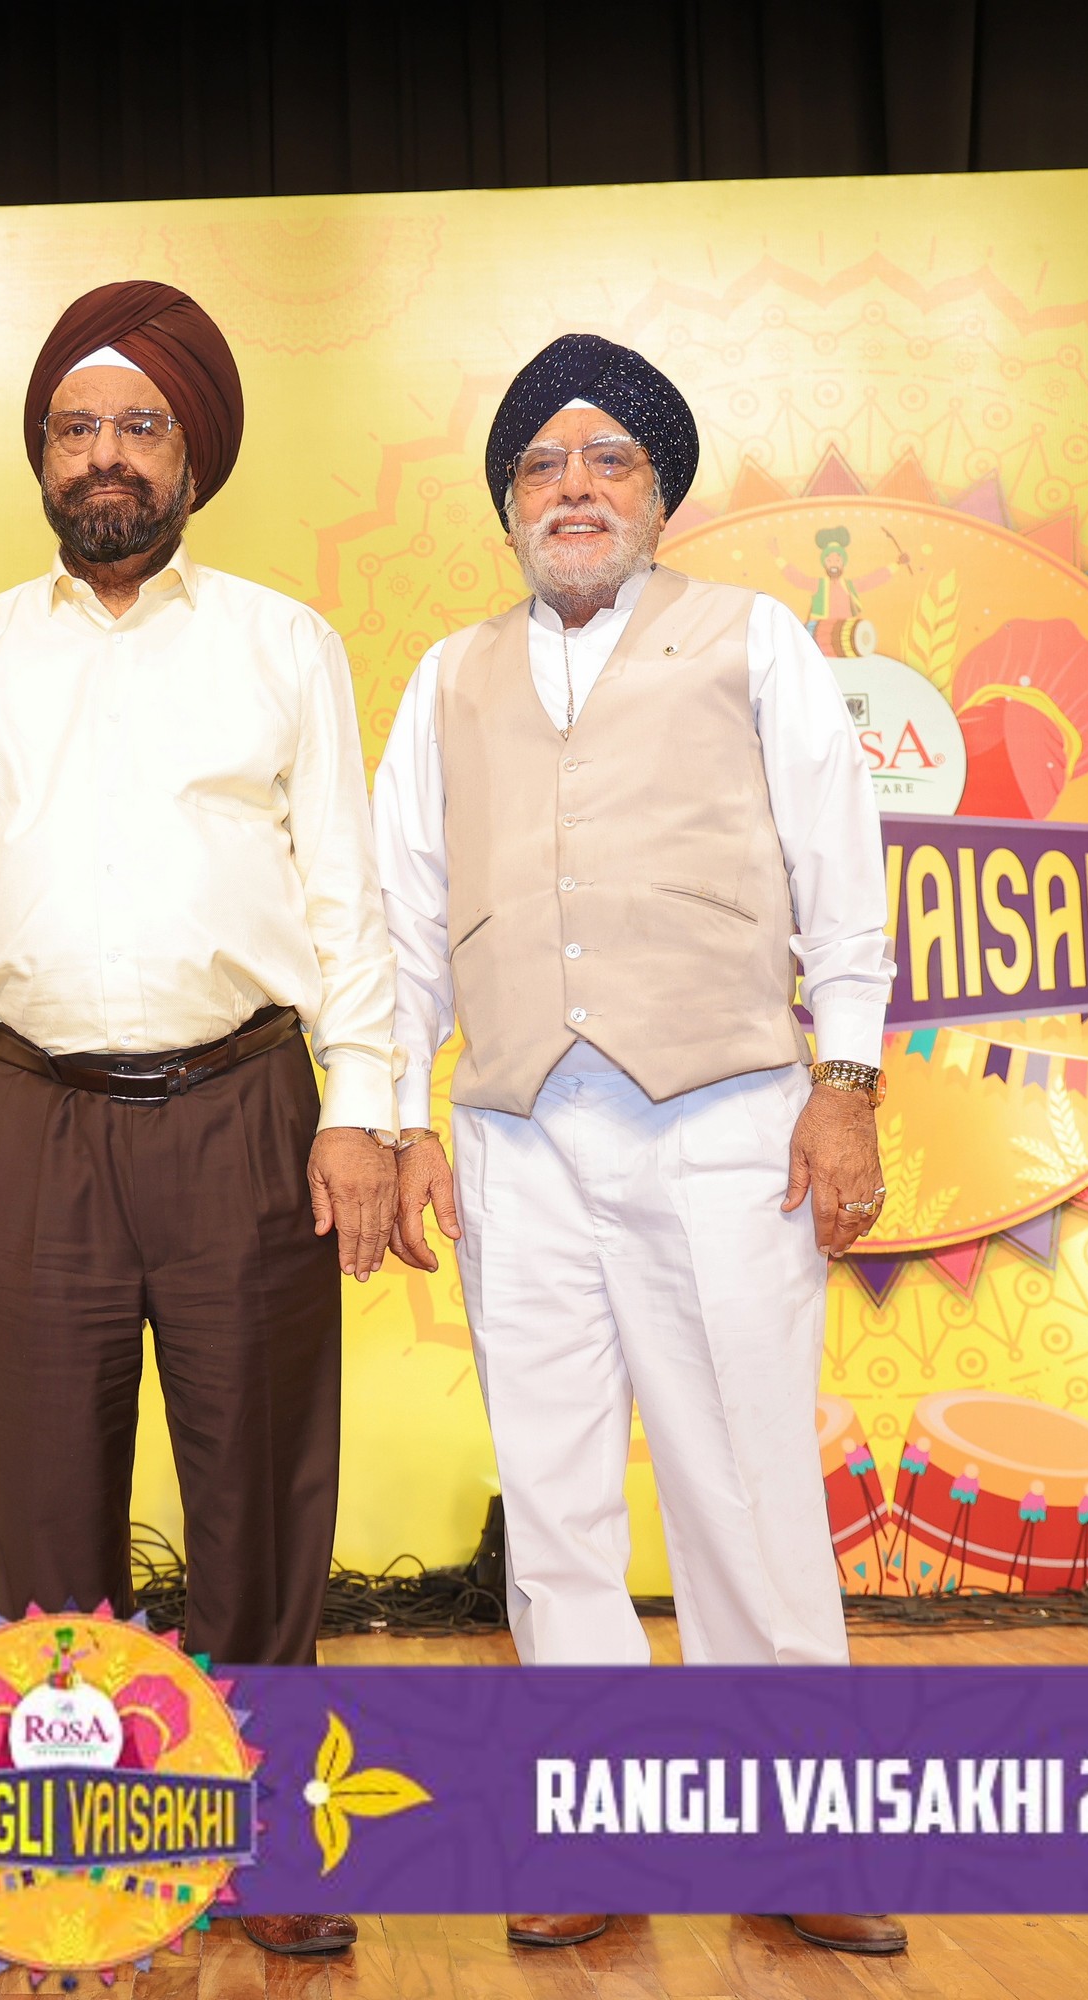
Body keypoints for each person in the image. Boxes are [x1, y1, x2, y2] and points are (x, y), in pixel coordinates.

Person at [0, 280, 401, 1961]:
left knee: (262, 1497)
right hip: (32, 1117)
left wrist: (365, 1107)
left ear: (194, 458)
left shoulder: (284, 644)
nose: (107, 455)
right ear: (42, 455)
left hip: (248, 1108)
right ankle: (55, 1841)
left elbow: (348, 895)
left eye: (140, 427)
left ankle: (266, 1844)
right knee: (44, 1505)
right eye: (77, 427)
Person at [371, 334, 903, 1958]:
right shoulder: (446, 677)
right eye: (542, 465)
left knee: (748, 1482)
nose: (575, 488)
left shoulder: (753, 641)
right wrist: (400, 1116)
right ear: (508, 506)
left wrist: (848, 1082)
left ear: (661, 495)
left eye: (609, 460)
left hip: (726, 1122)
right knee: (553, 1503)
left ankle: (799, 1836)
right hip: (516, 1136)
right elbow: (403, 924)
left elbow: (841, 871)